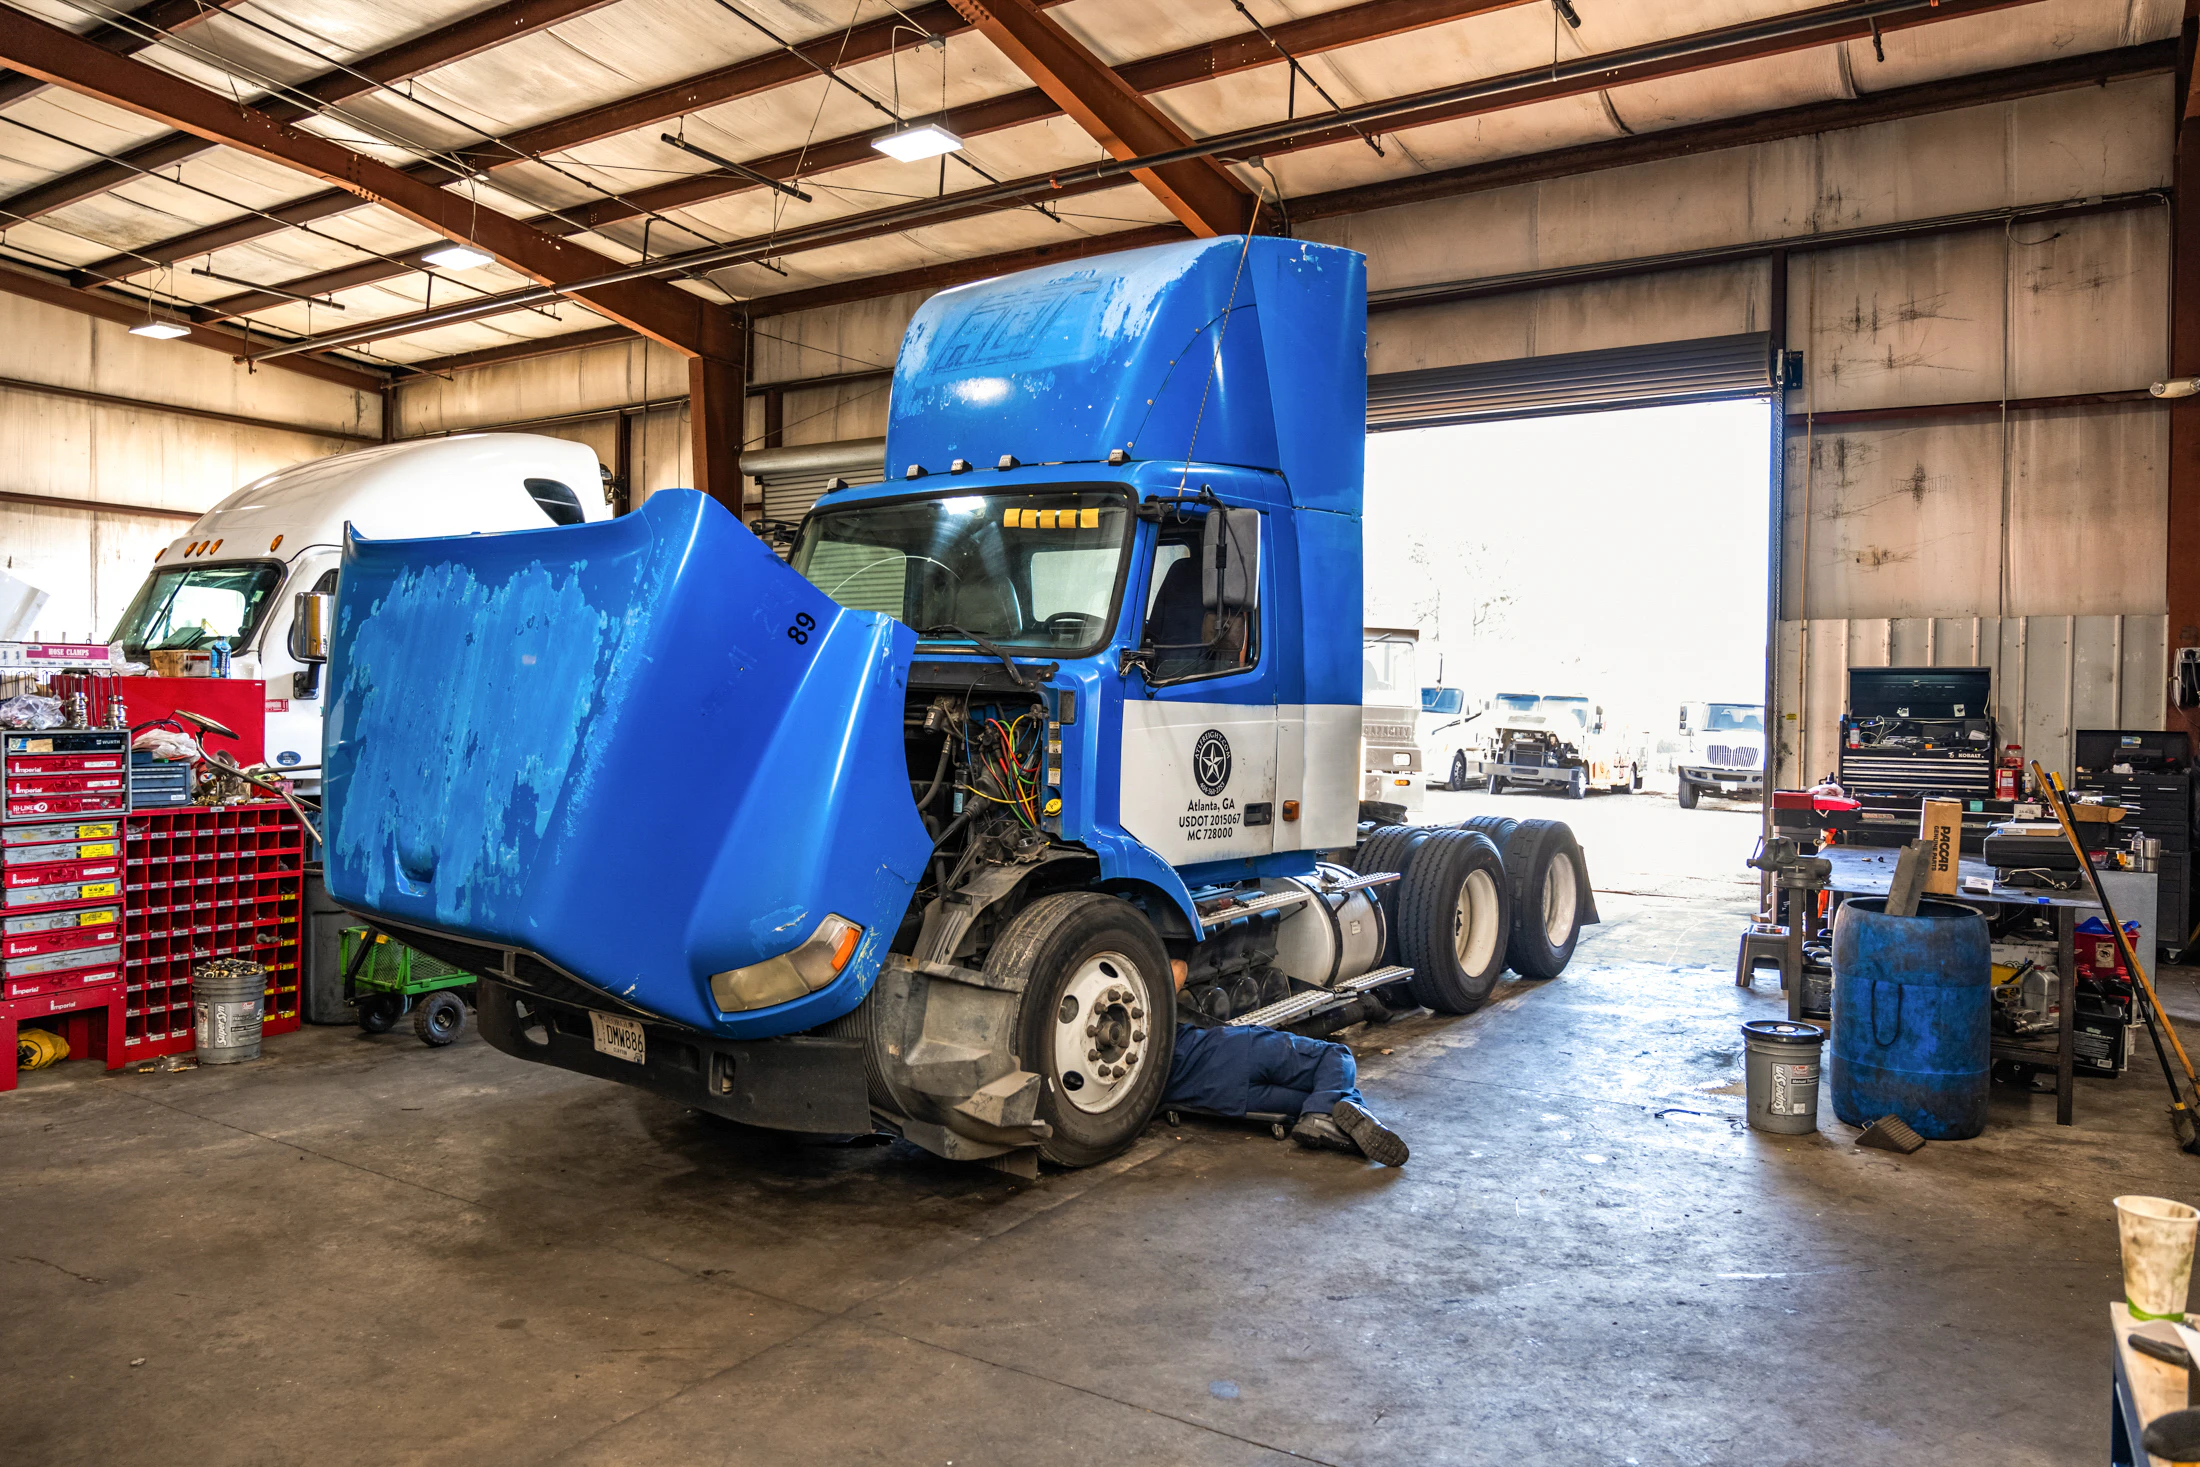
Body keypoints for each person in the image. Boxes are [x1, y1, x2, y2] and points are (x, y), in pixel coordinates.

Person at [1164, 961, 1410, 1166]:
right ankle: (1332, 1110)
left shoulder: (1136, 1072)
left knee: (1314, 1099)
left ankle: (1324, 1113)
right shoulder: (1151, 1012)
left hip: (1219, 1097)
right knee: (1336, 1056)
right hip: (1238, 1051)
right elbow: (1178, 967)